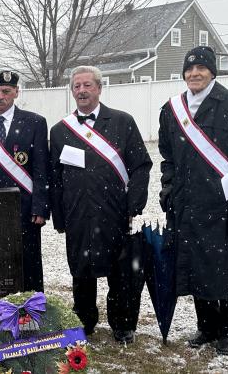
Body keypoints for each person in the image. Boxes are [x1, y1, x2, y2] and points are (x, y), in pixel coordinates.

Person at [158, 46, 228, 355]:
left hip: (224, 204)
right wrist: (168, 187)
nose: (195, 74)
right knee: (194, 267)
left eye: (201, 68)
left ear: (212, 72)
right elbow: (168, 157)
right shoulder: (172, 110)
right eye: (189, 69)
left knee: (227, 268)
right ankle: (208, 327)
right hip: (187, 204)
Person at [49, 66, 152, 344]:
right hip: (78, 214)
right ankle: (84, 320)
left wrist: (133, 204)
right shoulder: (59, 131)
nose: (81, 91)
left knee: (119, 272)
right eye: (76, 87)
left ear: (99, 88)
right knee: (81, 272)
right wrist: (59, 216)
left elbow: (141, 165)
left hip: (114, 212)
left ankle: (122, 323)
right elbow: (55, 178)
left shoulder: (122, 122)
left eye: (87, 85)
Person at [0, 70, 48, 292]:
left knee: (29, 260)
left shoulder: (34, 122)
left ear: (16, 92)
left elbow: (41, 168)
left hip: (24, 207)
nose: (0, 96)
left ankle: (33, 307)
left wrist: (40, 207)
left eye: (6, 91)